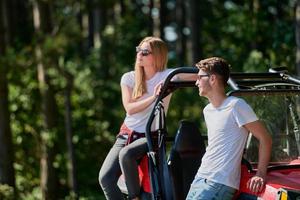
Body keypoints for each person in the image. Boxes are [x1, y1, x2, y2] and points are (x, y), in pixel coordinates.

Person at [99, 36, 174, 200]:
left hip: (150, 136)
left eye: (145, 51)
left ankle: (134, 198)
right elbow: (130, 109)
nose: (139, 54)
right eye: (138, 50)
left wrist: (212, 70)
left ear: (157, 56)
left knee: (126, 154)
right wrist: (154, 97)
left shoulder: (168, 76)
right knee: (105, 178)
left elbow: (198, 76)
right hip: (127, 133)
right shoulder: (129, 78)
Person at [186, 57, 272, 200]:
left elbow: (265, 139)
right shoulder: (207, 110)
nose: (196, 82)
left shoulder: (236, 105)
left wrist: (260, 174)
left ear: (212, 79)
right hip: (200, 177)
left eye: (200, 77)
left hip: (219, 182)